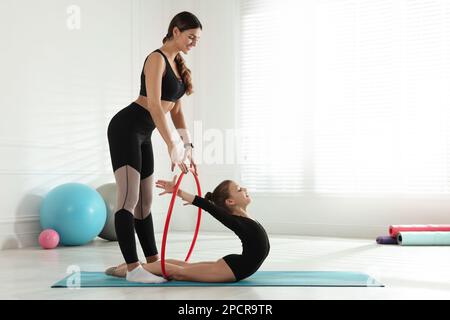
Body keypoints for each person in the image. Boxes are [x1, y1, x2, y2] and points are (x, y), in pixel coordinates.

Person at [105, 11, 202, 283]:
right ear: (175, 31)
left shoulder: (177, 64)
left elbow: (177, 111)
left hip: (144, 133)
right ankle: (134, 270)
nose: (194, 42)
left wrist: (187, 144)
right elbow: (157, 107)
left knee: (144, 204)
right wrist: (172, 145)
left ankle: (152, 264)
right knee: (128, 199)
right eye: (191, 37)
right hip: (126, 128)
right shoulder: (156, 59)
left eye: (197, 39)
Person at [107, 176, 271, 283]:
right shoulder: (235, 221)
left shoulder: (247, 219)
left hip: (236, 265)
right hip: (235, 269)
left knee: (184, 267)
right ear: (230, 202)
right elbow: (210, 208)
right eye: (239, 189)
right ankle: (126, 270)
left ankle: (139, 265)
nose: (244, 189)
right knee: (178, 272)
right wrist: (178, 192)